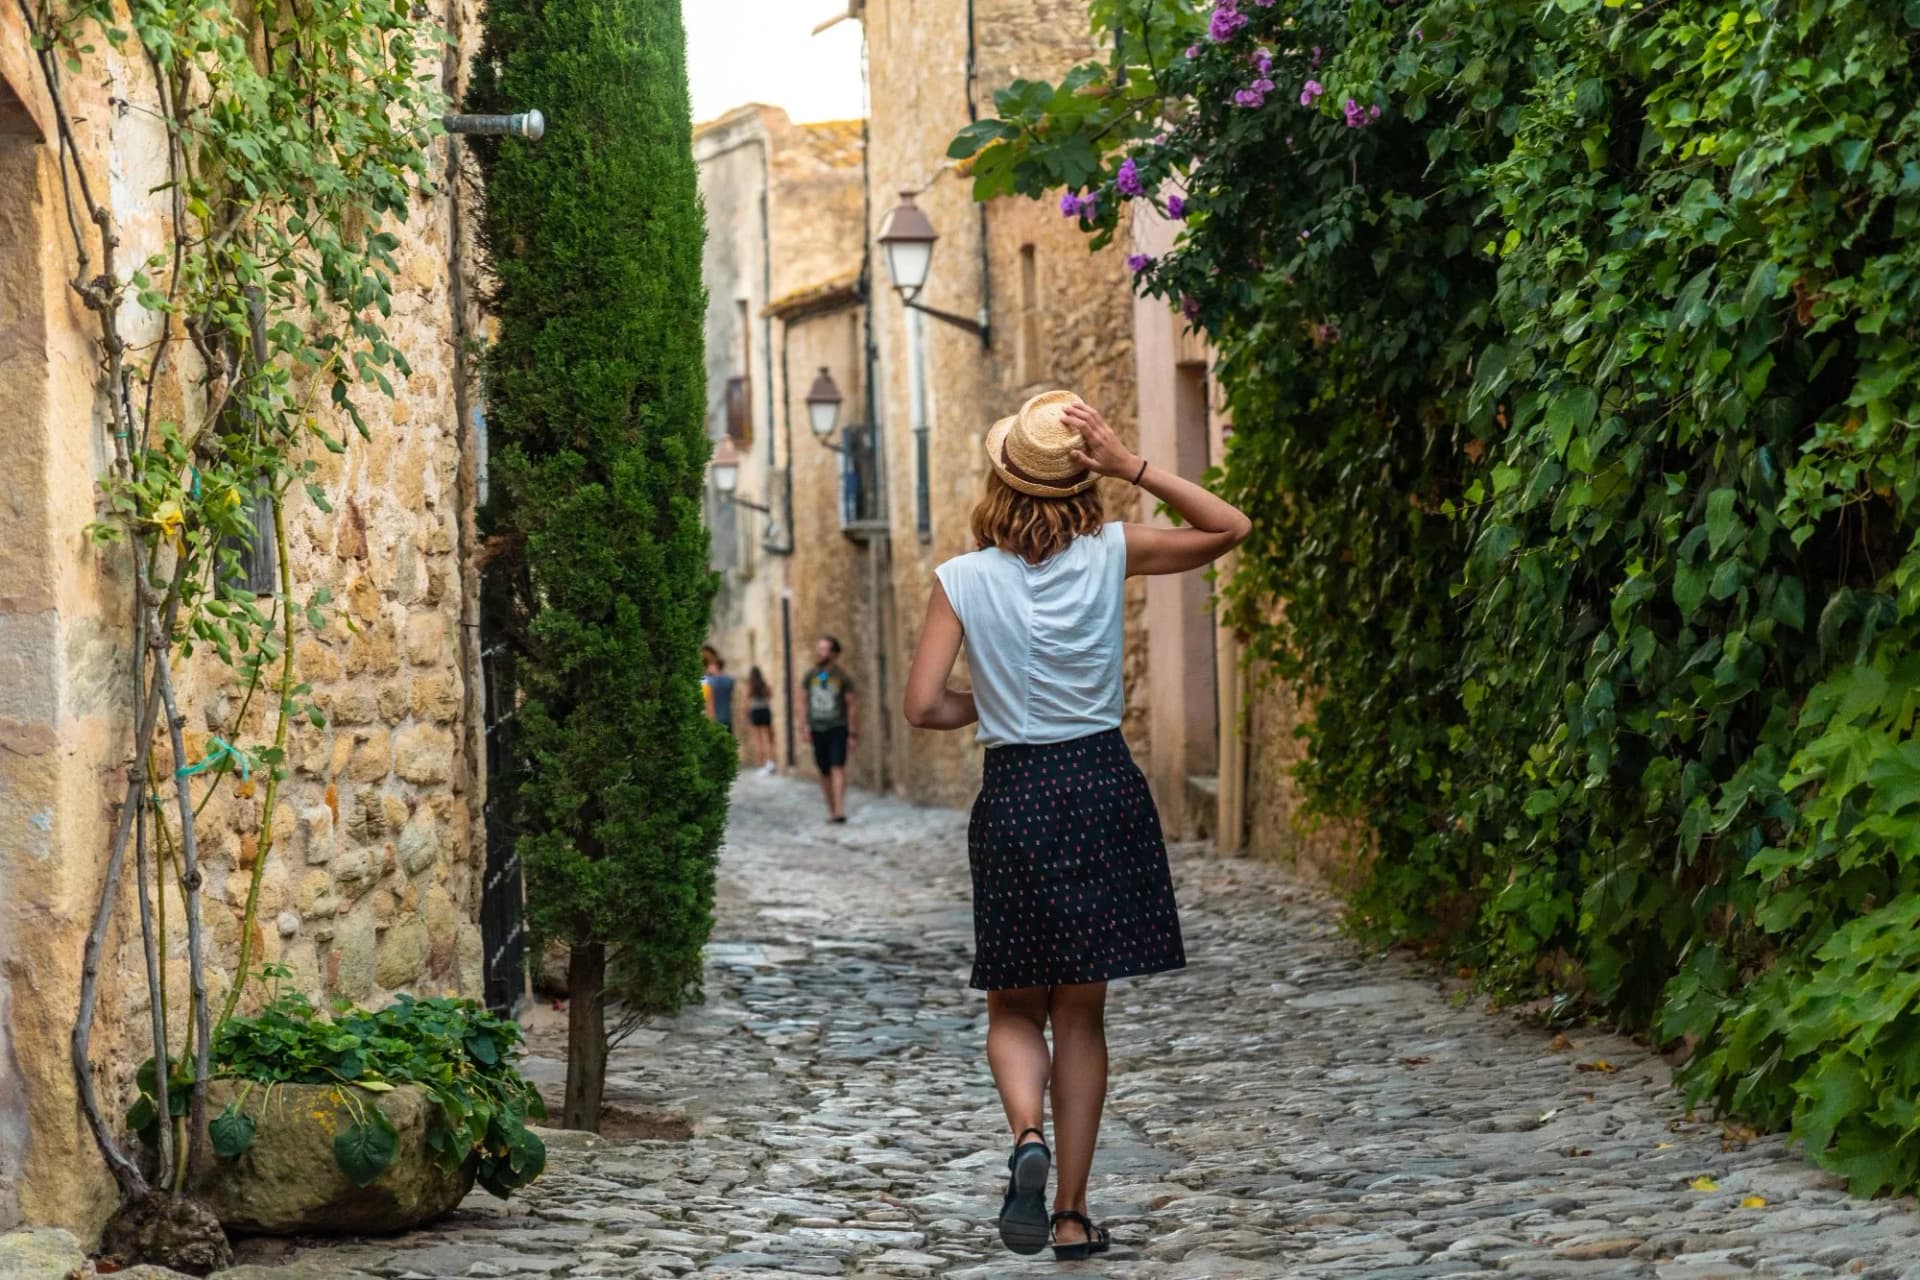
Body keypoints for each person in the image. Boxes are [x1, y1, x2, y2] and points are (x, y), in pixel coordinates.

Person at [903, 390, 1250, 1261]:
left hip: (1015, 790)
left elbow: (920, 706)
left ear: (999, 479)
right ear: (1079, 481)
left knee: (1014, 1002)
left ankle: (1025, 1137)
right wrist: (1130, 464)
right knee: (1082, 1016)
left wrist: (991, 700)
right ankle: (1069, 1215)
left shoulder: (961, 579)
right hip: (1099, 782)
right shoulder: (1113, 551)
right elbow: (1227, 527)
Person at [803, 635, 857, 822]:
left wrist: (852, 732)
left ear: (834, 653)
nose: (819, 653)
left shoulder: (842, 677)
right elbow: (803, 701)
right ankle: (832, 809)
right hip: (817, 727)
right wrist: (805, 725)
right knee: (824, 770)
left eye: (824, 649)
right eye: (819, 648)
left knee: (838, 767)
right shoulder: (810, 676)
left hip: (837, 727)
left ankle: (840, 811)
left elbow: (851, 705)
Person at [746, 666, 777, 775]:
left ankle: (763, 764)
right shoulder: (764, 685)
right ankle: (771, 762)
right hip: (765, 710)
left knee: (759, 740)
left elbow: (747, 701)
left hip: (755, 712)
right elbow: (770, 695)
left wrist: (746, 715)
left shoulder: (750, 686)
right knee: (769, 738)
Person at [702, 648, 736, 737]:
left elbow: (708, 705)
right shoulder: (729, 680)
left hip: (714, 720)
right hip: (727, 718)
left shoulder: (707, 681)